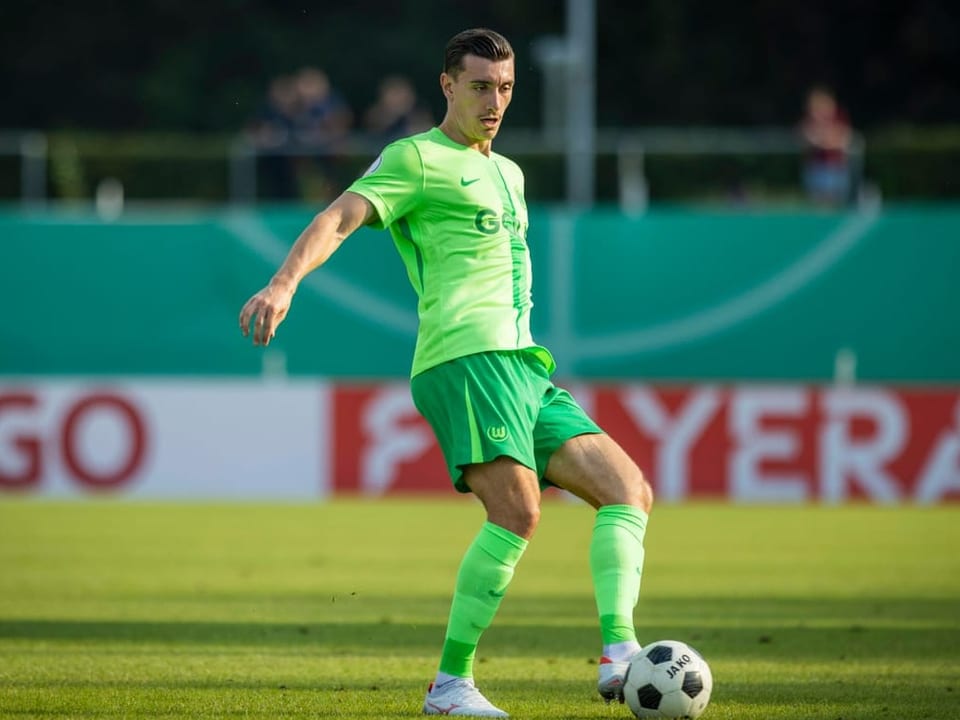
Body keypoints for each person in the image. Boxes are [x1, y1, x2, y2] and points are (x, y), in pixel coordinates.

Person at [239, 28, 653, 718]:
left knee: (627, 489)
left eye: (507, 88)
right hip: (464, 358)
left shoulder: (509, 172)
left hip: (522, 365)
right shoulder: (416, 158)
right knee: (519, 511)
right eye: (482, 86)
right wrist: (284, 284)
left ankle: (620, 653)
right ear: (448, 86)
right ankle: (451, 684)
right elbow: (339, 217)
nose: (495, 101)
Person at [799, 85, 853, 206]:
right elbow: (807, 139)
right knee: (819, 206)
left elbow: (843, 140)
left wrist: (823, 140)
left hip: (836, 169)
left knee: (835, 205)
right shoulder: (808, 122)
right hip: (816, 169)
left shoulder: (840, 120)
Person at [363, 74, 435, 143]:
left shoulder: (419, 113)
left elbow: (427, 132)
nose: (399, 98)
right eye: (394, 93)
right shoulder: (376, 115)